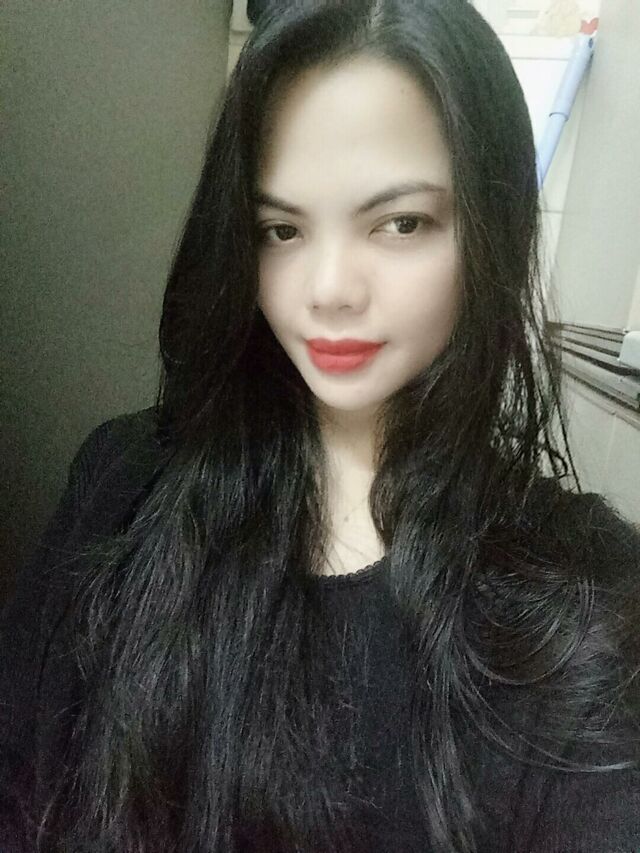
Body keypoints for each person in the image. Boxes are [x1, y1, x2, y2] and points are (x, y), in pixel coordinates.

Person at [1, 1, 639, 851]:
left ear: (495, 225)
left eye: (400, 222)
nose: (328, 289)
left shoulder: (584, 604)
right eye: (282, 229)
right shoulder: (122, 480)